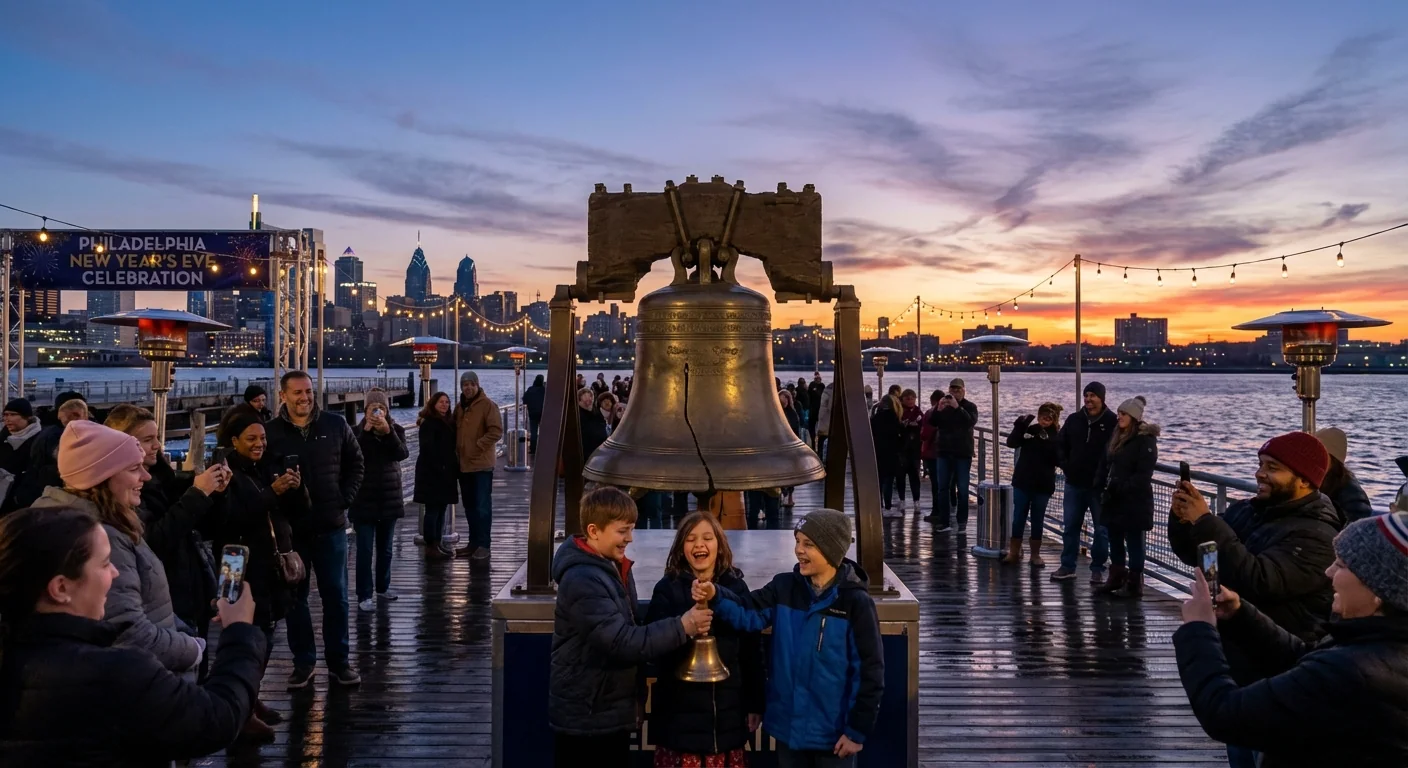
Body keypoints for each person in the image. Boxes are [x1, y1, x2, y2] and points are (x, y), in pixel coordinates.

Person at [0, 506, 266, 764]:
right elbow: (217, 720)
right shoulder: (116, 674)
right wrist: (238, 630)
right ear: (60, 588)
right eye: (104, 564)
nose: (115, 572)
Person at [1173, 513, 1408, 767]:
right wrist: (1240, 615)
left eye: (1341, 565)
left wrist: (1199, 629)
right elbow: (1305, 660)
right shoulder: (1382, 645)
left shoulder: (1350, 671)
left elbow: (1223, 713)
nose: (1328, 572)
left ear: (1379, 591)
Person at [695, 509, 884, 766]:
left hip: (834, 738)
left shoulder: (856, 603)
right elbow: (747, 614)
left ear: (831, 550)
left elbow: (869, 673)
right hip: (788, 733)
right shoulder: (783, 587)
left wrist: (856, 731)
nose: (798, 550)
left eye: (808, 544)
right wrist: (716, 595)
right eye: (797, 541)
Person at [549, 486, 712, 764]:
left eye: (631, 529)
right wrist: (683, 625)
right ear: (594, 530)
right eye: (622, 531)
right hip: (589, 717)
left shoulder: (611, 565)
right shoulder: (583, 580)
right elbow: (621, 642)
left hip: (607, 710)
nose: (629, 538)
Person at [31, 420, 205, 673]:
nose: (145, 476)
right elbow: (127, 631)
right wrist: (192, 649)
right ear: (102, 477)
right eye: (134, 468)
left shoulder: (63, 518)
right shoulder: (100, 537)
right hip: (143, 681)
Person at [1169, 433, 1341, 656]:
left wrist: (1204, 521)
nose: (1260, 474)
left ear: (1304, 480)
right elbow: (1201, 557)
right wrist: (1184, 520)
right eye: (1260, 464)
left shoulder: (1317, 535)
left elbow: (1259, 581)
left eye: (1272, 467)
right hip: (1232, 644)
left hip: (1281, 656)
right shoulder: (1247, 511)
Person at [264, 370, 365, 689]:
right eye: (297, 392)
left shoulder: (336, 425)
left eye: (308, 391)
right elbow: (259, 473)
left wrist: (343, 501)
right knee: (296, 598)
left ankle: (339, 662)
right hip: (292, 533)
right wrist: (276, 487)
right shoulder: (271, 433)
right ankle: (304, 662)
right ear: (282, 396)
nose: (304, 397)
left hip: (331, 527)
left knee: (336, 596)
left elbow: (356, 465)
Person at [214, 404, 307, 739]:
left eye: (263, 437)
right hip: (241, 567)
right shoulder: (224, 474)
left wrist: (296, 487)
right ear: (234, 440)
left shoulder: (262, 467)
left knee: (266, 635)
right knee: (246, 638)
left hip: (269, 566)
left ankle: (252, 699)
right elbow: (230, 522)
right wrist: (273, 492)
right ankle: (241, 709)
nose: (259, 443)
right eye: (251, 438)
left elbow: (296, 511)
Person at [646, 511, 765, 767]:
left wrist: (755, 703)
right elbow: (653, 647)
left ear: (719, 546)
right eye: (690, 539)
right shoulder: (667, 589)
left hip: (727, 724)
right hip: (678, 726)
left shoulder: (736, 589)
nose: (699, 544)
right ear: (681, 549)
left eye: (707, 538)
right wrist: (684, 627)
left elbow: (751, 652)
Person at [105, 404, 229, 646]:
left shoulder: (164, 479)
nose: (157, 446)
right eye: (148, 439)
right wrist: (198, 493)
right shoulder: (124, 491)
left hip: (188, 589)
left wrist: (213, 493)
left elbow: (198, 527)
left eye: (157, 438)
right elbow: (154, 539)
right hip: (166, 599)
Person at [1052, 381, 1117, 584]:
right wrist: (1065, 464)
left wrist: (1107, 475)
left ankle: (1097, 568)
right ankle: (1067, 565)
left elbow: (1116, 451)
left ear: (1102, 398)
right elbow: (1060, 444)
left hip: (1099, 487)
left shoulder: (1112, 421)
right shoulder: (1074, 419)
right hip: (1074, 482)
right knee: (1070, 525)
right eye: (1086, 396)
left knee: (1101, 530)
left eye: (1093, 396)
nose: (1088, 400)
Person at [1094, 398, 1159, 599]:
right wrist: (1100, 483)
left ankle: (1134, 583)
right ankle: (1116, 577)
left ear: (1134, 417)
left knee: (1134, 541)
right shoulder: (1117, 436)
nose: (1119, 417)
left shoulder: (1144, 441)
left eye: (1124, 414)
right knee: (1114, 538)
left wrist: (1120, 487)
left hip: (1134, 501)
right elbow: (1106, 463)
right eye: (1119, 413)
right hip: (1114, 499)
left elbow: (1143, 475)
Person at [350, 390, 409, 612]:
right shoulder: (356, 432)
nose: (376, 413)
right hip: (363, 499)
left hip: (389, 498)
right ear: (364, 411)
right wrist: (365, 433)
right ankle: (364, 594)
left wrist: (387, 432)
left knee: (386, 549)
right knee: (364, 550)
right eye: (372, 409)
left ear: (387, 411)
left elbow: (402, 454)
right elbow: (352, 456)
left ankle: (383, 587)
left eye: (381, 409)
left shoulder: (397, 430)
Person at [1004, 402, 1062, 566]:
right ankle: (1014, 551)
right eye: (1042, 416)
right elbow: (1012, 443)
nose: (1045, 420)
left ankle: (1035, 554)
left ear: (1054, 419)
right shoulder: (1031, 430)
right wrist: (1020, 426)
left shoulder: (1058, 436)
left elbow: (1059, 460)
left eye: (1049, 417)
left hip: (1043, 485)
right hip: (1022, 481)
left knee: (1038, 519)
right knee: (1018, 517)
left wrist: (1051, 443)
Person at [453, 371, 502, 561]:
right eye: (465, 385)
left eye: (471, 384)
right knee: (469, 507)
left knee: (482, 507)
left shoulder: (488, 405)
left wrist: (478, 445)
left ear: (477, 385)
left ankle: (484, 544)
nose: (468, 388)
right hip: (464, 466)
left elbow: (496, 430)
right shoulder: (459, 408)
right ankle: (473, 542)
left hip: (481, 465)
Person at [12, 393, 87, 510]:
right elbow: (68, 463)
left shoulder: (48, 430)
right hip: (43, 496)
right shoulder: (58, 436)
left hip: (33, 493)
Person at [929, 378, 979, 532]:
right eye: (952, 389)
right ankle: (944, 522)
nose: (955, 392)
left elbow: (970, 422)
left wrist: (958, 407)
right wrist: (938, 408)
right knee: (942, 487)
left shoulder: (970, 406)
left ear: (964, 390)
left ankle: (962, 522)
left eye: (958, 390)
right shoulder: (944, 405)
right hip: (944, 451)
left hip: (962, 453)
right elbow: (932, 422)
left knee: (962, 489)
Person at [414, 391, 458, 560]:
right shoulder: (429, 423)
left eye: (447, 402)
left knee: (441, 509)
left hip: (445, 472)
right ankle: (430, 545)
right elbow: (427, 449)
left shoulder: (447, 422)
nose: (444, 405)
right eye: (441, 402)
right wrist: (440, 466)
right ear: (433, 404)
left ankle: (438, 543)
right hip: (432, 473)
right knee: (432, 510)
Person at [1314, 426, 1374, 525]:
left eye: (1319, 454)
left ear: (1334, 460)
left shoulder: (1352, 498)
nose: (1313, 459)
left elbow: (1356, 533)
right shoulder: (1310, 481)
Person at [0, 398, 41, 510]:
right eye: (5, 415)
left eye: (12, 414)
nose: (7, 419)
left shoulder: (39, 440)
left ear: (27, 417)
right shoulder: (3, 435)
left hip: (20, 504)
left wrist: (19, 497)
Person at [870, 393, 903, 519]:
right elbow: (899, 437)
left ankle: (879, 506)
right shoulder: (894, 418)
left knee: (878, 481)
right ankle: (888, 507)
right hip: (890, 453)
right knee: (888, 481)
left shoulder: (875, 418)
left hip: (876, 453)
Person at [895, 389, 923, 514]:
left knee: (914, 477)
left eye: (912, 398)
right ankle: (902, 501)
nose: (910, 401)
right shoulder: (898, 411)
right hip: (901, 449)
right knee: (900, 476)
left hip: (915, 449)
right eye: (908, 398)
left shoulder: (918, 412)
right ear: (903, 399)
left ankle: (916, 501)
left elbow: (923, 427)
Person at [779, 390, 804, 508]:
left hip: (790, 448)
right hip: (778, 448)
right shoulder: (776, 414)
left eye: (785, 399)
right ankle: (782, 495)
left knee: (791, 474)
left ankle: (789, 496)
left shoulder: (793, 414)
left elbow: (796, 431)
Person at [579, 386, 610, 461]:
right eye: (585, 401)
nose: (589, 402)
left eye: (590, 400)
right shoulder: (578, 415)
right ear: (579, 401)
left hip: (600, 450)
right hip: (587, 453)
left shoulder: (596, 412)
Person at [523, 374, 546, 456]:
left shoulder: (530, 389)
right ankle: (544, 447)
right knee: (544, 431)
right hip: (543, 413)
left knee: (533, 432)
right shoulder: (544, 390)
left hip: (532, 413)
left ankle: (533, 449)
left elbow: (524, 399)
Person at [814, 381, 834, 459]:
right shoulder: (833, 390)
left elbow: (822, 411)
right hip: (829, 426)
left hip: (823, 425)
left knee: (821, 448)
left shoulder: (828, 389)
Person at [807, 373, 826, 444]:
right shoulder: (812, 385)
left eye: (819, 379)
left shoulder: (822, 386)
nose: (818, 380)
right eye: (817, 379)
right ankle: (813, 441)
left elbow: (822, 395)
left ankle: (819, 442)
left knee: (820, 427)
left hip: (819, 409)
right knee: (811, 427)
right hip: (813, 410)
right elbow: (809, 395)